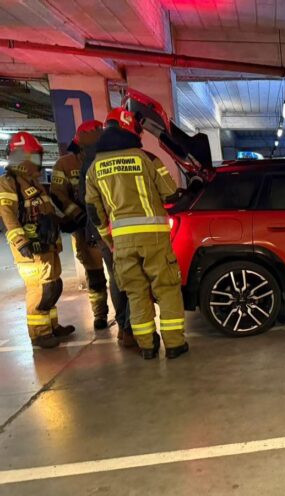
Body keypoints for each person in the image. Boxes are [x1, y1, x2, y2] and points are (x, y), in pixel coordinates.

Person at [85, 108, 188, 360]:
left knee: (136, 292)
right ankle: (174, 344)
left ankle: (147, 346)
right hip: (154, 239)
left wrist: (109, 240)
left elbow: (94, 210)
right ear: (131, 129)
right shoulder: (147, 159)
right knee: (166, 289)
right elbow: (170, 193)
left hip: (121, 242)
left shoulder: (94, 168)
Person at [0, 132, 75, 348]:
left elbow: (46, 210)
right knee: (41, 289)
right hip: (31, 247)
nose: (38, 162)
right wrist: (21, 242)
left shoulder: (32, 182)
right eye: (34, 157)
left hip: (46, 244)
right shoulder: (8, 183)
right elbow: (7, 214)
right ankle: (40, 334)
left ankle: (52, 326)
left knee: (53, 285)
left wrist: (63, 222)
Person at [77, 124, 136, 348]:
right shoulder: (125, 157)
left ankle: (122, 327)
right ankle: (130, 329)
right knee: (133, 278)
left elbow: (86, 200)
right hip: (122, 230)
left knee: (116, 278)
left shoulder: (88, 164)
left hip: (102, 232)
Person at [51, 120, 109, 331]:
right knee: (95, 274)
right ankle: (100, 314)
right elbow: (57, 194)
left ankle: (125, 320)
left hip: (108, 225)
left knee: (121, 272)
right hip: (84, 228)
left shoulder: (107, 158)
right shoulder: (65, 165)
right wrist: (78, 214)